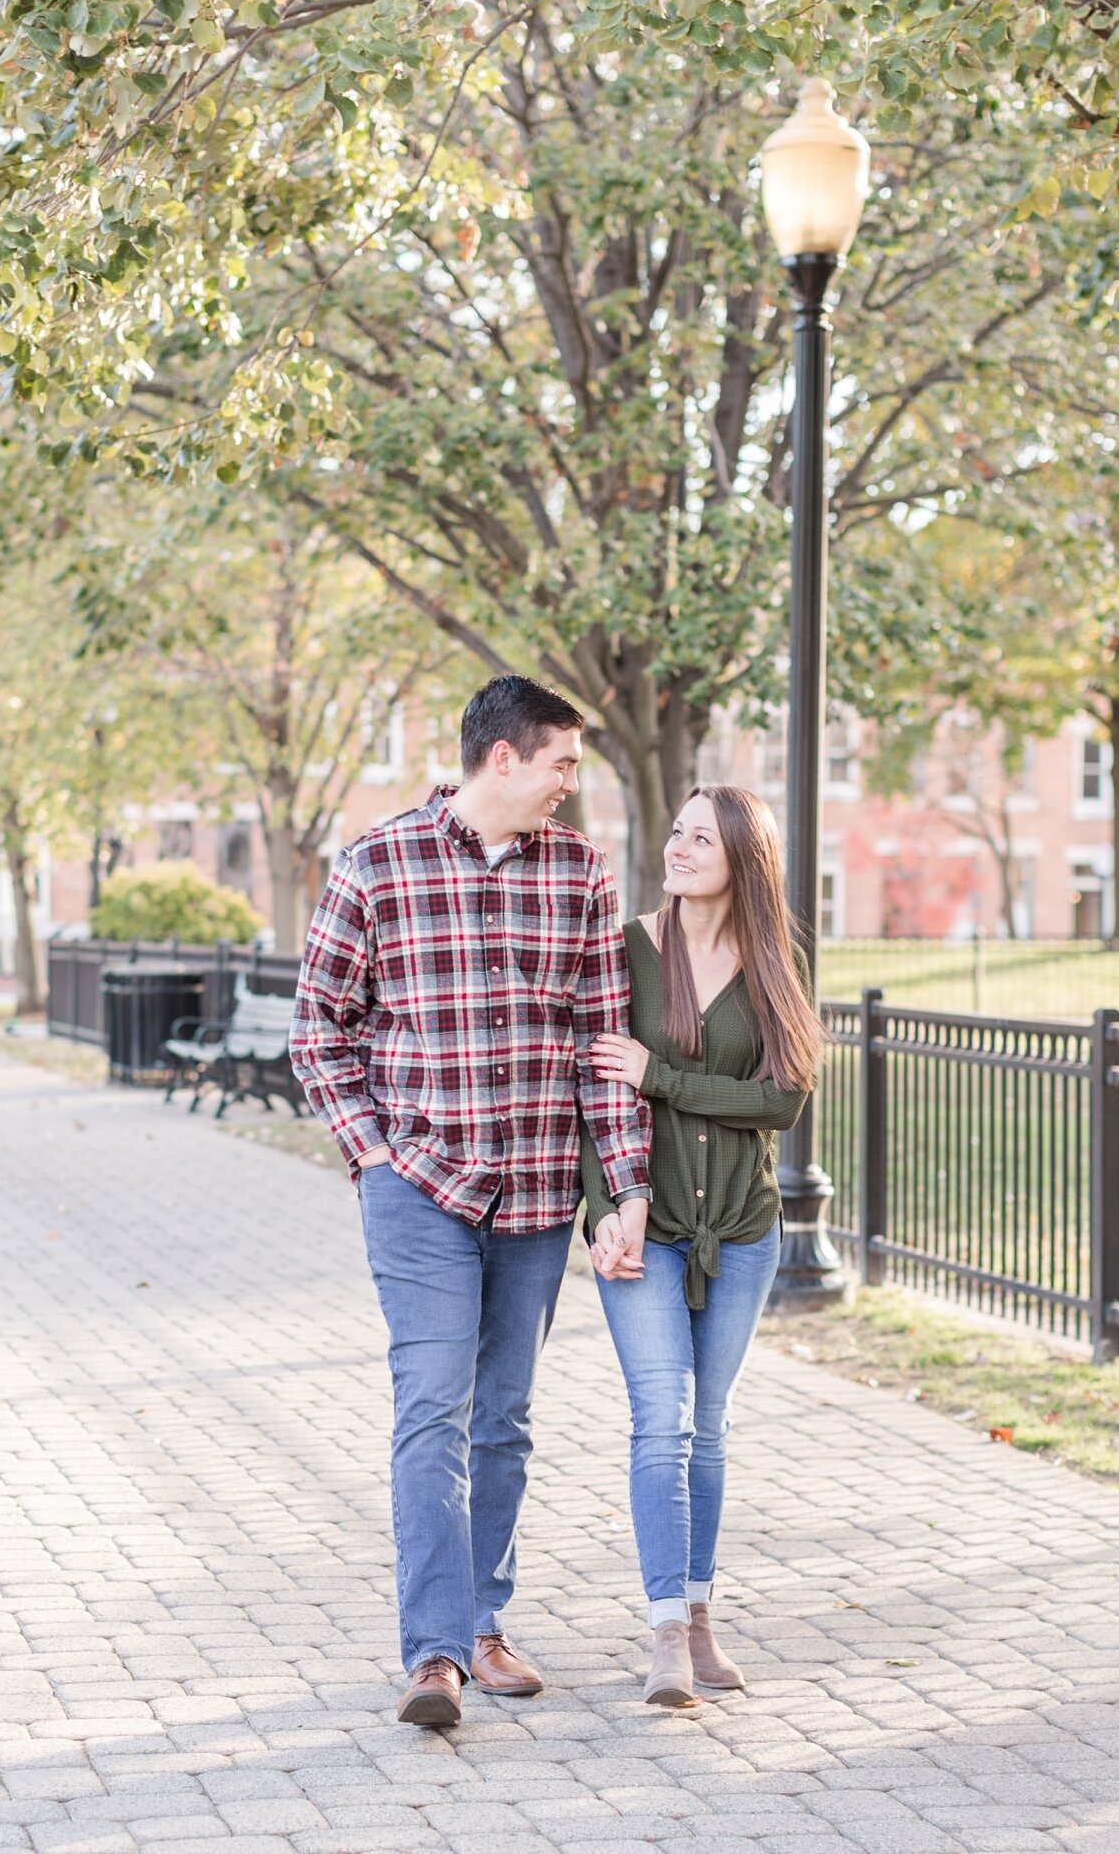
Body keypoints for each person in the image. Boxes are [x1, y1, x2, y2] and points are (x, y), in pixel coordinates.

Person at [290, 674, 651, 1728]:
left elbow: (602, 1052)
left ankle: (484, 1624)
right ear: (504, 758)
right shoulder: (378, 862)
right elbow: (320, 1032)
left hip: (537, 1196)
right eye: (562, 765)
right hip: (422, 1189)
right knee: (432, 1410)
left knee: (503, 1421)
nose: (570, 788)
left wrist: (622, 1186)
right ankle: (434, 1654)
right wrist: (376, 1159)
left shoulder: (580, 873)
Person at [583, 784, 821, 1709]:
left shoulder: (771, 960)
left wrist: (666, 1076)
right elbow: (593, 1088)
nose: (678, 847)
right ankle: (665, 1636)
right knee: (664, 1419)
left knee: (709, 1426)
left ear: (741, 860)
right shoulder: (629, 947)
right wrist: (608, 1205)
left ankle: (702, 1610)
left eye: (699, 838)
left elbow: (784, 1099)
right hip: (650, 1227)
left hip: (744, 1227)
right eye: (675, 832)